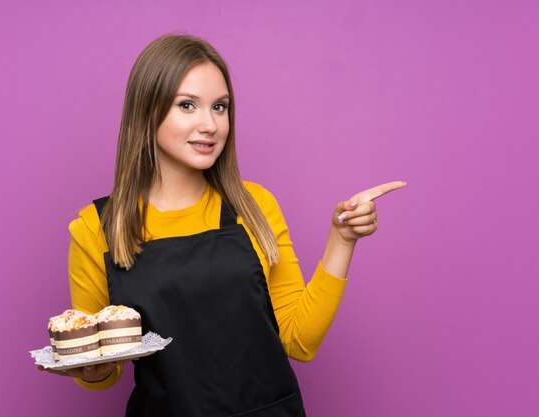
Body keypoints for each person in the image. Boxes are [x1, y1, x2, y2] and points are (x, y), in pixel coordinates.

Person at [39, 33, 406, 416]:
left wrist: (342, 240)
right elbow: (102, 372)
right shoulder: (95, 228)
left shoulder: (254, 205)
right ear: (147, 111)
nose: (210, 124)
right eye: (187, 105)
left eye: (219, 106)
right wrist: (92, 369)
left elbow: (299, 341)